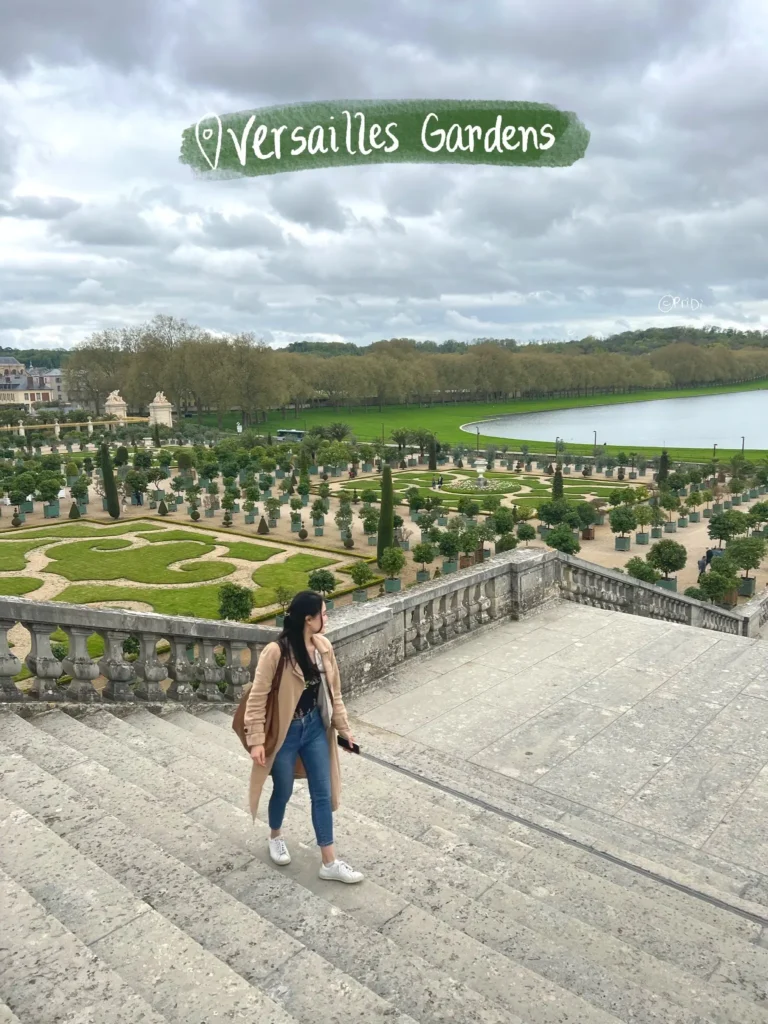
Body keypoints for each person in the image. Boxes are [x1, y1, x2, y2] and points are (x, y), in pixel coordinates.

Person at [244, 590, 363, 884]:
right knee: (282, 790)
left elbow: (334, 694)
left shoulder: (323, 646)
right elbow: (257, 697)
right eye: (322, 614)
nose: (326, 617)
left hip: (314, 729)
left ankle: (329, 861)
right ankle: (275, 835)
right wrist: (256, 739)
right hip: (285, 733)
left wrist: (344, 731)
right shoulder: (277, 651)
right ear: (308, 620)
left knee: (322, 793)